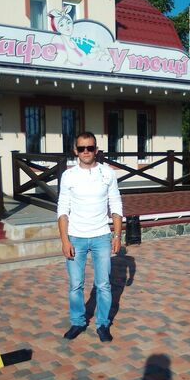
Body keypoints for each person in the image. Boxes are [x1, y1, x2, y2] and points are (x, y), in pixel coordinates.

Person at [57, 131, 123, 342]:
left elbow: (116, 204)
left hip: (101, 236)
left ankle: (103, 324)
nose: (86, 152)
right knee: (75, 285)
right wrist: (65, 240)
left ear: (96, 150)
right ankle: (78, 322)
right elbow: (62, 209)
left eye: (90, 148)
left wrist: (117, 235)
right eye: (82, 148)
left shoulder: (108, 173)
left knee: (103, 285)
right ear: (75, 151)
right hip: (76, 237)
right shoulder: (68, 176)